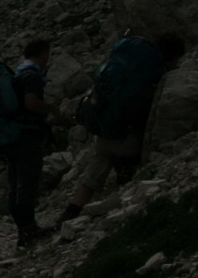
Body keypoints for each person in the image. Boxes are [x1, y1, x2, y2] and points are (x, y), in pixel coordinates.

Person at [58, 32, 186, 222]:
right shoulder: (153, 74)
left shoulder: (131, 56)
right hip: (124, 137)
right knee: (126, 165)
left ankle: (72, 211)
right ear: (172, 56)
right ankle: (122, 210)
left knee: (97, 166)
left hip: (103, 126)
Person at [6, 39, 68, 248]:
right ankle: (29, 229)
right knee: (28, 181)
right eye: (47, 55)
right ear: (42, 54)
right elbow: (31, 103)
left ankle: (22, 231)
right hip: (27, 134)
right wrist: (50, 108)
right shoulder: (32, 74)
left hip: (11, 136)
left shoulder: (17, 73)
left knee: (15, 182)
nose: (47, 60)